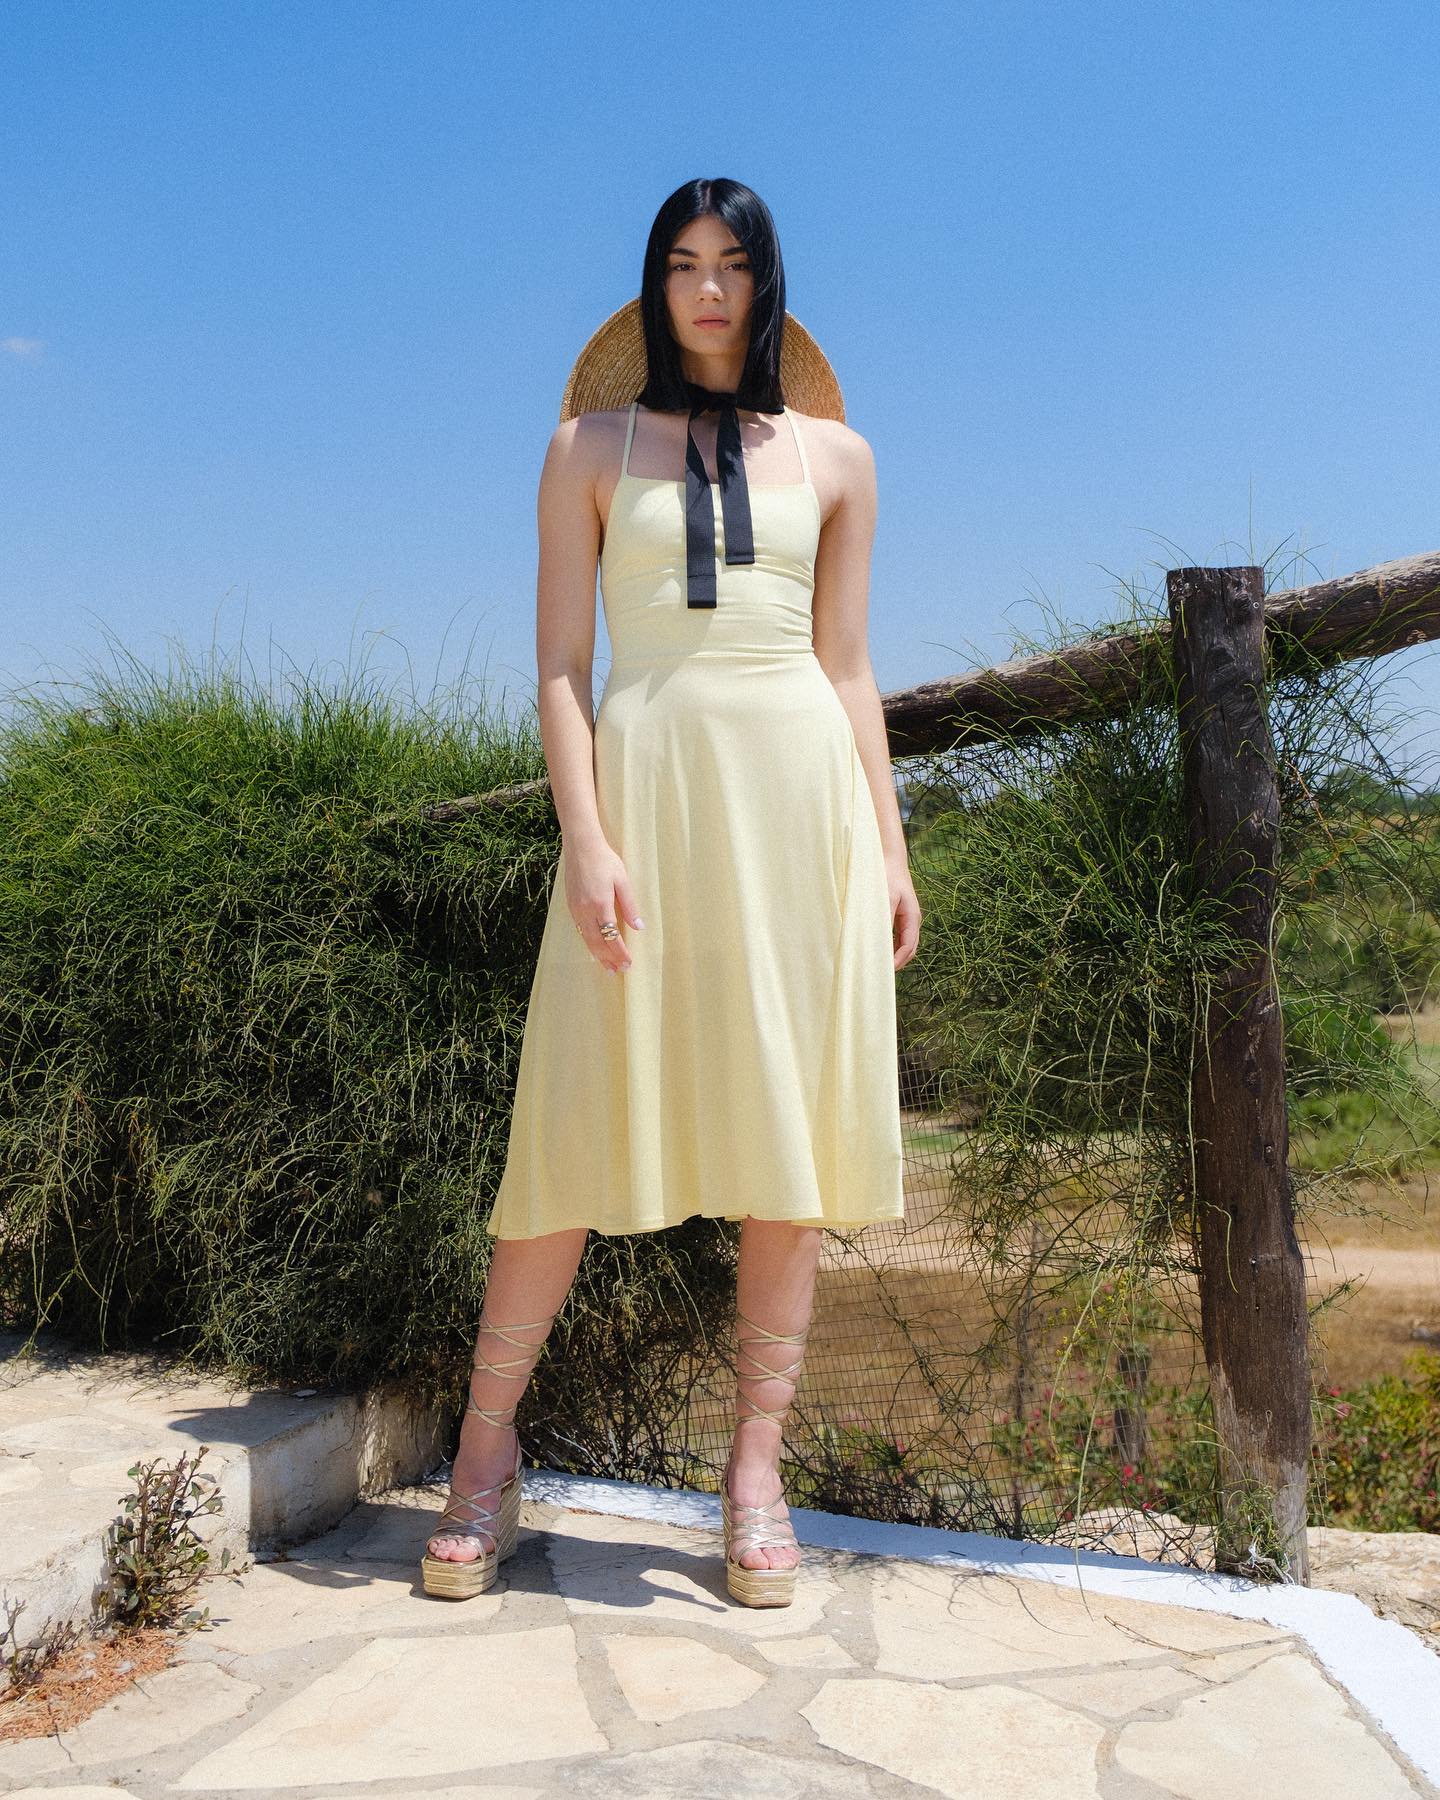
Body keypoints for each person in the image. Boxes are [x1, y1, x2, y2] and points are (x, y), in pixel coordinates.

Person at [420, 177, 921, 1608]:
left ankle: (754, 1471)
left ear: (767, 284)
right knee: (568, 1125)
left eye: (733, 264)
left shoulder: (840, 458)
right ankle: (485, 1451)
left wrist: (888, 851)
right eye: (682, 264)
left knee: (786, 1143)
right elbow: (564, 668)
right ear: (654, 283)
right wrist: (586, 838)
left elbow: (847, 667)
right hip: (643, 798)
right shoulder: (586, 446)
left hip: (797, 806)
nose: (708, 289)